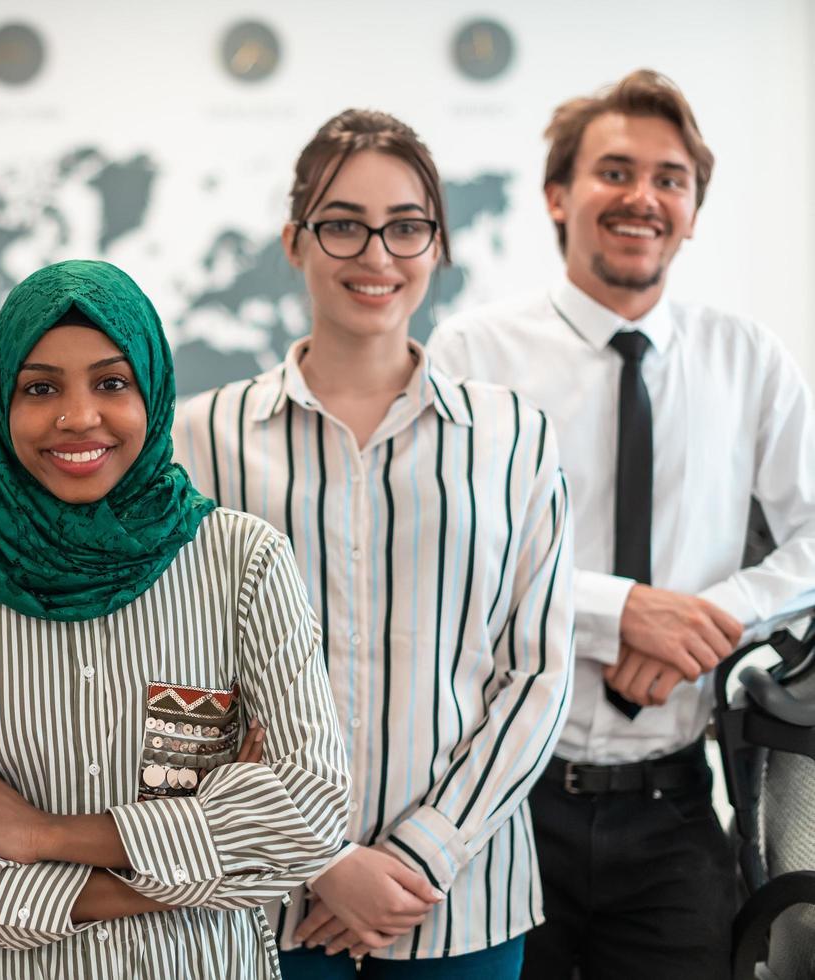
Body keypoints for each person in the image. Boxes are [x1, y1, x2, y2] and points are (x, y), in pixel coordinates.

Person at [0, 259, 352, 979]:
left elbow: (307, 820)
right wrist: (162, 882)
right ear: (2, 404)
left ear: (152, 390)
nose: (79, 416)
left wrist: (42, 834)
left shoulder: (243, 566)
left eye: (112, 383)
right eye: (40, 388)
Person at [427, 69, 815, 979]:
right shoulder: (471, 355)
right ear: (558, 194)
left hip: (674, 805)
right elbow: (446, 559)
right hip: (501, 800)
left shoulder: (747, 357)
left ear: (691, 211)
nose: (642, 196)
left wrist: (704, 619)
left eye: (669, 179)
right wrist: (621, 611)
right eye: (614, 170)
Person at [175, 109, 574, 978]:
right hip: (256, 901)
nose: (377, 255)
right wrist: (317, 858)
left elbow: (539, 675)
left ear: (438, 245)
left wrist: (415, 859)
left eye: (406, 227)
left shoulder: (514, 439)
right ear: (295, 240)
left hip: (458, 902)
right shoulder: (198, 441)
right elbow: (175, 675)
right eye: (344, 225)